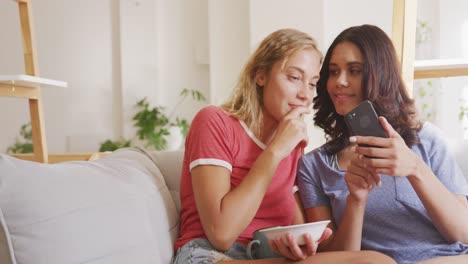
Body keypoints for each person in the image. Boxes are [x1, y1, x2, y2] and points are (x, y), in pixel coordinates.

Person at [172, 28, 395, 264]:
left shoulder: (292, 147)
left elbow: (312, 240)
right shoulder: (214, 122)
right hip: (209, 256)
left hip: (262, 256)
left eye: (312, 84)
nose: (305, 95)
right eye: (294, 77)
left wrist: (300, 246)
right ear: (261, 75)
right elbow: (221, 234)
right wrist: (276, 150)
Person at [297, 24, 468, 264]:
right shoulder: (314, 165)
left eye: (354, 70)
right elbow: (338, 259)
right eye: (333, 72)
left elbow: (463, 233)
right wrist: (356, 200)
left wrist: (415, 169)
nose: (340, 82)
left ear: (381, 75)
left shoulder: (426, 140)